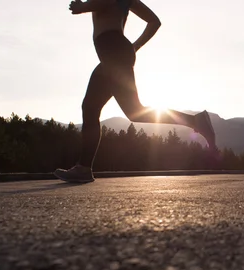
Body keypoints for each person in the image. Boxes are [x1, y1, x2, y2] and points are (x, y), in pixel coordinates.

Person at [55, 0, 216, 183]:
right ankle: (196, 121)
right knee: (107, 109)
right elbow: (154, 21)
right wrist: (135, 46)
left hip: (114, 51)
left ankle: (84, 168)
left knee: (109, 109)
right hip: (116, 52)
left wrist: (82, 7)